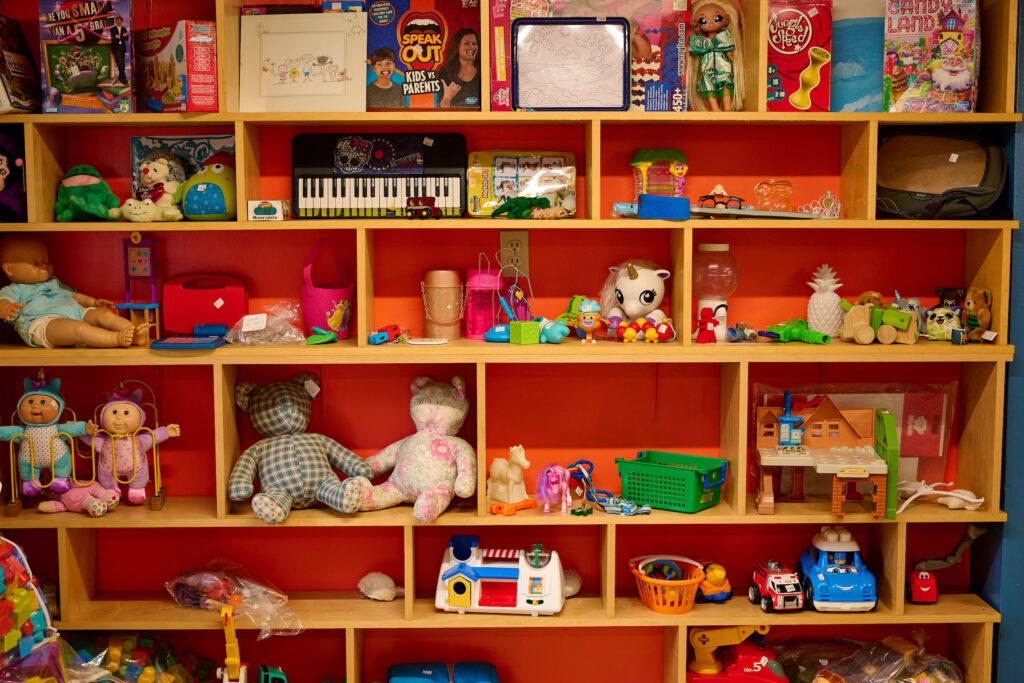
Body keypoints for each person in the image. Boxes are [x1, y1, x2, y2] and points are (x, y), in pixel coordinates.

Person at [436, 28, 480, 108]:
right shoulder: (444, 73)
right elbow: (441, 112)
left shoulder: (484, 71)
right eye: (466, 43)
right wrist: (447, 97)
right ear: (457, 46)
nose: (472, 47)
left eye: (474, 43)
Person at [110, 15, 128, 85]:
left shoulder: (124, 29)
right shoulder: (113, 29)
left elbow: (126, 38)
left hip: (122, 48)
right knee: (119, 63)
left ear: (122, 22)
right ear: (116, 21)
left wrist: (119, 37)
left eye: (120, 20)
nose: (119, 22)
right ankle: (124, 78)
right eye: (118, 20)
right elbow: (113, 38)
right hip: (116, 47)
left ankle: (121, 78)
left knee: (122, 64)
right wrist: (122, 36)